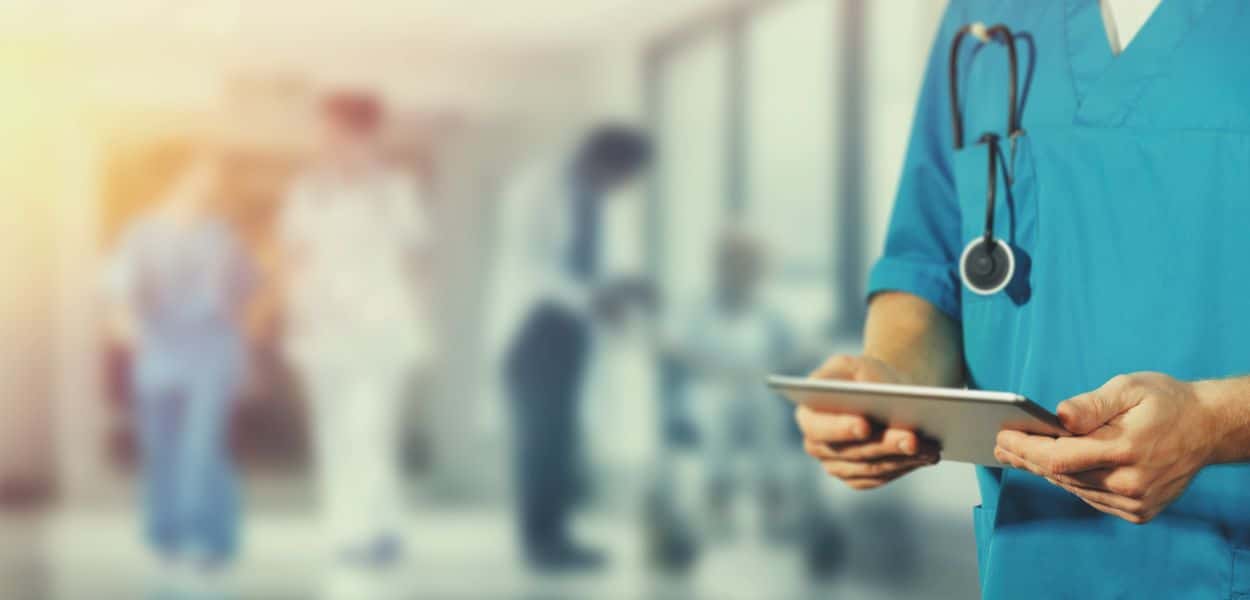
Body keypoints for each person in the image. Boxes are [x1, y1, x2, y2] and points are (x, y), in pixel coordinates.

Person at [795, 1, 1250, 597]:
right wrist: (886, 386)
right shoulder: (985, 14)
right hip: (1035, 564)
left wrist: (1217, 424)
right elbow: (931, 265)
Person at [278, 91, 433, 566]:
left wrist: (419, 323)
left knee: (369, 429)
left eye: (343, 134)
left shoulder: (397, 189)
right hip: (323, 328)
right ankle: (367, 529)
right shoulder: (307, 190)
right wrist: (296, 311)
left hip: (382, 327)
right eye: (326, 135)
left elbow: (415, 260)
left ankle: (364, 532)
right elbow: (292, 255)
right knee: (334, 434)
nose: (333, 144)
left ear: (368, 136)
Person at [488, 124, 652, 570]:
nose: (620, 189)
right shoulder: (537, 187)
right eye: (622, 177)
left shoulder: (589, 195)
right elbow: (532, 263)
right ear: (605, 161)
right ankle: (543, 545)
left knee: (561, 440)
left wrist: (620, 290)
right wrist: (596, 297)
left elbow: (582, 266)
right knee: (542, 441)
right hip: (533, 327)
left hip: (569, 328)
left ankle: (556, 537)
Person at [104, 145, 255, 575]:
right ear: (177, 177)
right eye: (200, 172)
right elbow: (119, 289)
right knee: (162, 449)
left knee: (204, 448)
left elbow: (243, 292)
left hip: (211, 352)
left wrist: (241, 342)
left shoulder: (221, 232)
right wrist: (125, 322)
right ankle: (165, 537)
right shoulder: (140, 232)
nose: (209, 181)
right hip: (158, 354)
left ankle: (214, 541)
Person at [666, 229, 799, 540]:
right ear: (721, 265)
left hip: (755, 387)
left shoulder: (769, 310)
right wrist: (707, 366)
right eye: (734, 262)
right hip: (708, 386)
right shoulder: (697, 306)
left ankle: (772, 495)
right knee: (717, 410)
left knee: (768, 412)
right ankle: (718, 495)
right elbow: (672, 345)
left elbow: (801, 345)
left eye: (748, 264)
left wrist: (777, 366)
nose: (741, 270)